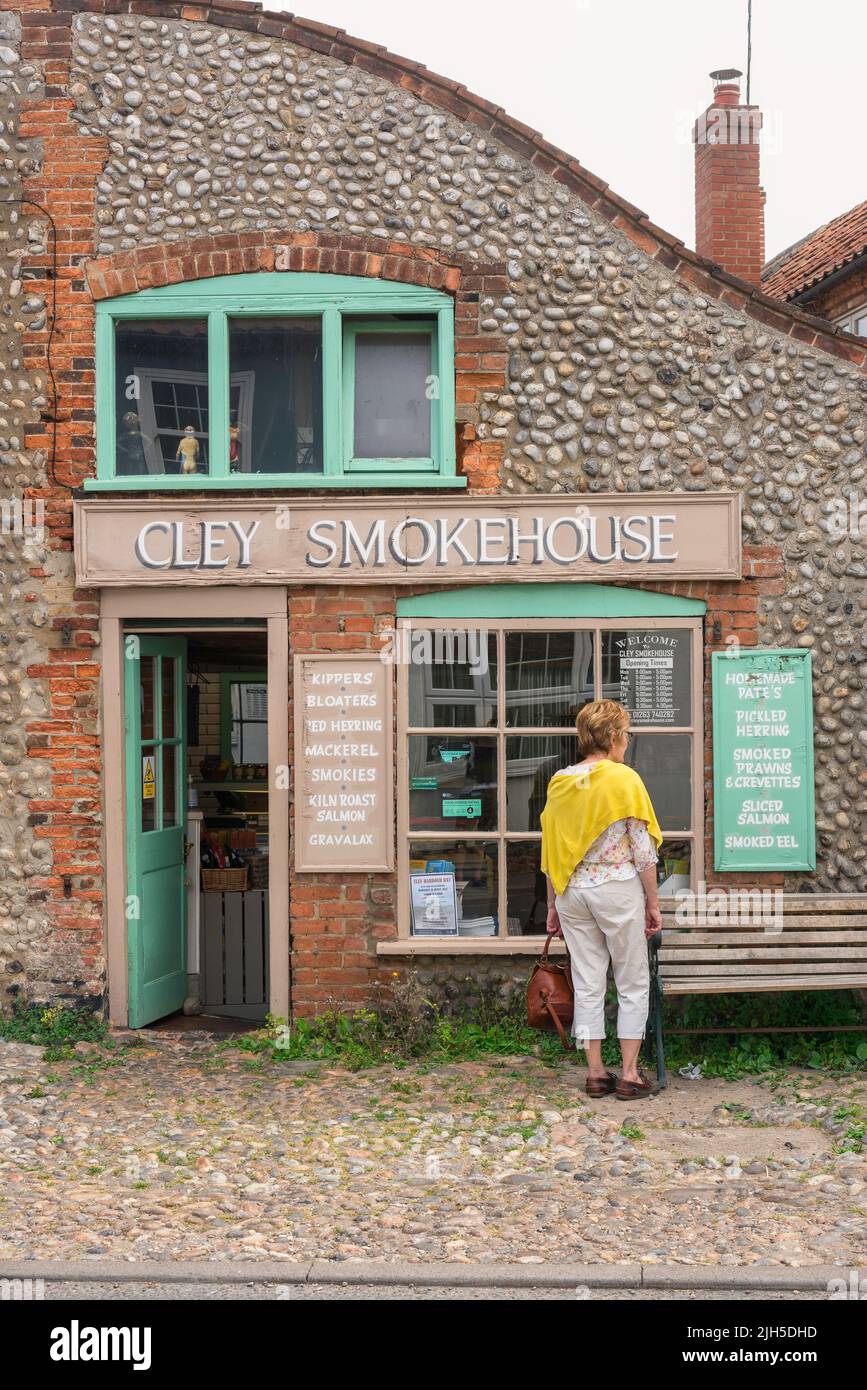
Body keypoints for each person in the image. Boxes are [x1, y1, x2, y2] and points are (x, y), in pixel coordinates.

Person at [540, 699, 663, 1100]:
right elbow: (642, 851)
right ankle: (629, 1074)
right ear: (611, 736)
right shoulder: (624, 780)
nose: (626, 742)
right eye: (625, 734)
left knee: (587, 981)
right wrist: (653, 903)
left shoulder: (560, 781)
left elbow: (552, 851)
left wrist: (553, 905)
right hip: (616, 888)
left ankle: (595, 1072)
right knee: (631, 981)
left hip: (573, 892)